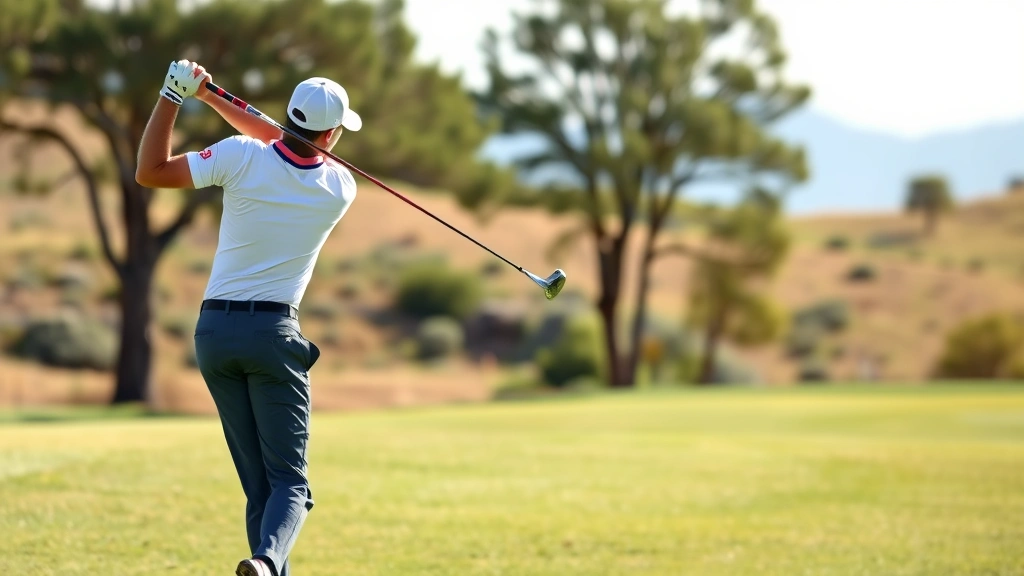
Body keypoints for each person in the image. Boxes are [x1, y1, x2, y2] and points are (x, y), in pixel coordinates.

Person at [136, 59, 362, 576]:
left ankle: (264, 566)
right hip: (273, 337)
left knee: (260, 488)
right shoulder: (338, 188)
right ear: (330, 135)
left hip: (214, 335)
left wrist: (180, 95)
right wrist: (214, 96)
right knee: (291, 485)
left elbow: (150, 172)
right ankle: (265, 563)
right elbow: (289, 144)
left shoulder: (240, 157)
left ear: (290, 117)